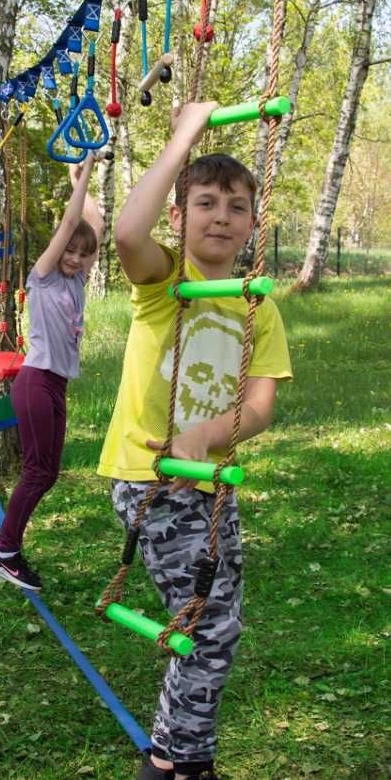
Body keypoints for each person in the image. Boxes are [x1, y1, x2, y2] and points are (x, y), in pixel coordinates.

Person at [97, 102, 292, 780]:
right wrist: (184, 134)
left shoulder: (256, 302)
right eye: (203, 202)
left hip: (206, 481)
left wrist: (207, 434)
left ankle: (168, 755)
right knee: (207, 628)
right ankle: (184, 764)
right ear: (178, 218)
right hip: (152, 478)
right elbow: (125, 230)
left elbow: (259, 405)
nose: (220, 215)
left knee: (213, 623)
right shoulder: (165, 283)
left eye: (236, 206)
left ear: (250, 224)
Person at [0, 154, 104, 591]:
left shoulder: (75, 281)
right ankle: (4, 551)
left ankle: (5, 549)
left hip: (56, 385)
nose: (75, 257)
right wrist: (84, 174)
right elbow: (71, 225)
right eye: (69, 249)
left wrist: (79, 181)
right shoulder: (45, 276)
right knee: (37, 470)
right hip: (34, 380)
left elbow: (94, 230)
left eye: (81, 255)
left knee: (47, 472)